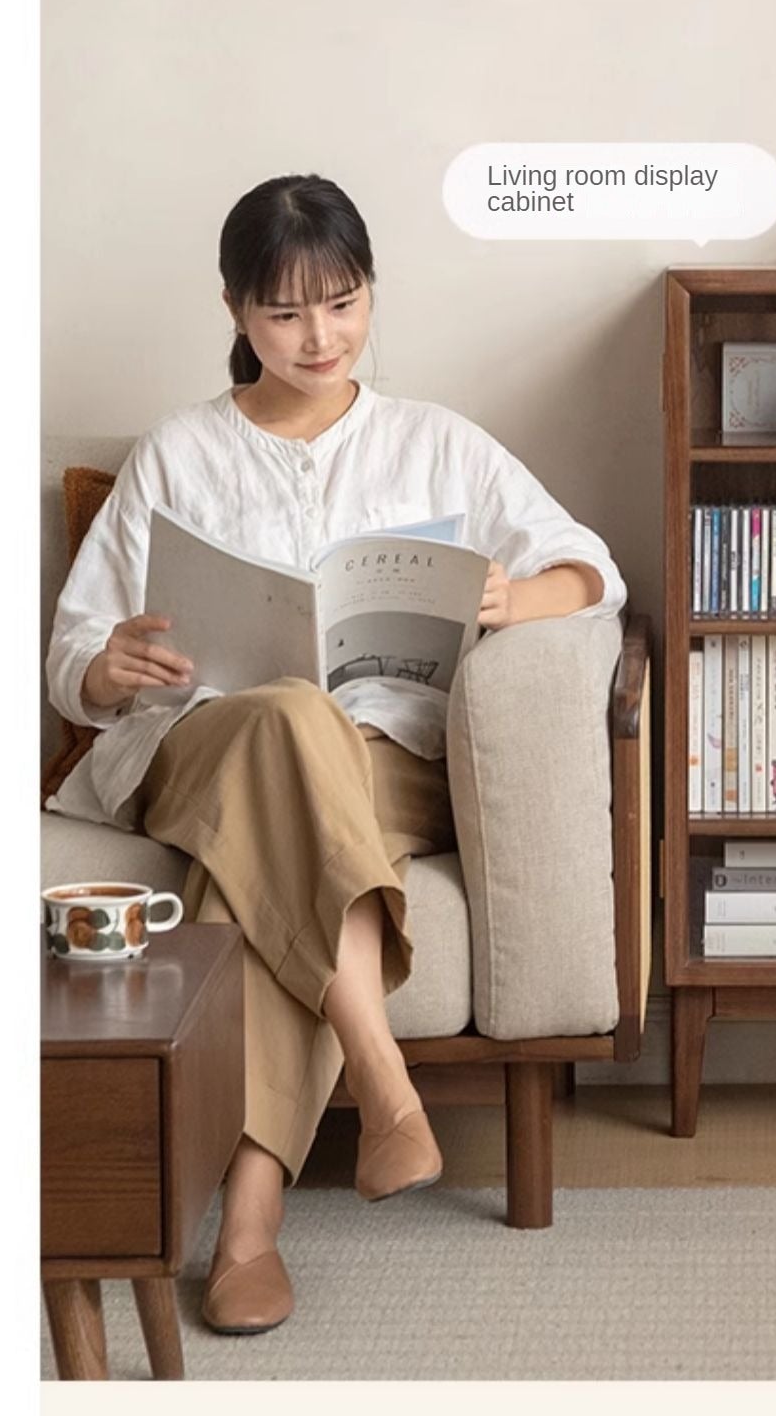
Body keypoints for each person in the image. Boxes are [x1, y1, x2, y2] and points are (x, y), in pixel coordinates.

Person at [44, 174, 627, 1334]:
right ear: (234, 309)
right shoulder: (176, 454)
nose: (319, 337)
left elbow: (592, 567)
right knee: (288, 718)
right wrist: (110, 666)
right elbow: (70, 654)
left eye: (344, 304)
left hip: (382, 759)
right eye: (285, 313)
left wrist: (517, 595)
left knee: (279, 824)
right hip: (201, 744)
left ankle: (248, 1227)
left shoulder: (436, 444)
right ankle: (380, 1077)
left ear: (372, 296)